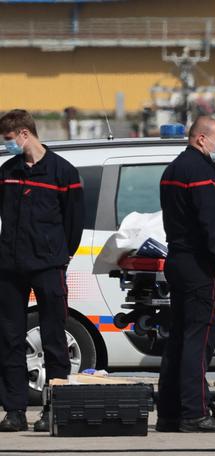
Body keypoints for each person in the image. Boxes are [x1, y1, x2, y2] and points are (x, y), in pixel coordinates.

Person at [0, 109, 84, 433]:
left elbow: (74, 222)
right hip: (10, 266)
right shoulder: (8, 172)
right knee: (9, 339)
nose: (6, 145)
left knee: (54, 339)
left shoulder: (64, 172)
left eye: (8, 139)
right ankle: (15, 411)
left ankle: (55, 409)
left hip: (48, 266)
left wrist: (61, 255)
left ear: (24, 134)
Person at [156, 116, 215, 433]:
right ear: (201, 139)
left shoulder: (173, 169)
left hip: (178, 259)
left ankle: (170, 413)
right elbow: (212, 221)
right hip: (199, 265)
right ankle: (194, 413)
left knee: (178, 340)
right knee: (197, 341)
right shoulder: (201, 172)